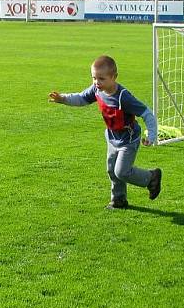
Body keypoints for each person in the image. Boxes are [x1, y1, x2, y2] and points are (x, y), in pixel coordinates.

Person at [49, 55, 161, 209]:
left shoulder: (123, 97)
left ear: (114, 77)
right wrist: (63, 99)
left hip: (128, 140)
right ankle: (119, 200)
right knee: (111, 170)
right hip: (112, 137)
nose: (96, 82)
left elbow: (147, 113)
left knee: (121, 172)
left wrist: (151, 135)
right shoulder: (97, 90)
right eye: (94, 78)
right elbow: (81, 98)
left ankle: (151, 178)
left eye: (101, 78)